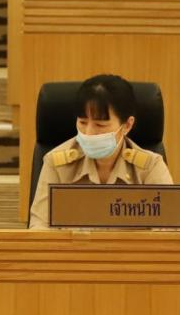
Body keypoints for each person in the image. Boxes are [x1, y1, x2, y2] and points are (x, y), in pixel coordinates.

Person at [29, 74, 172, 230]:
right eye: (83, 122)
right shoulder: (56, 163)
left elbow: (168, 230)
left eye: (100, 125)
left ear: (127, 125)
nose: (88, 132)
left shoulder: (150, 167)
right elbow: (40, 228)